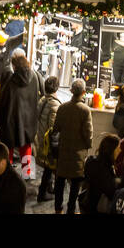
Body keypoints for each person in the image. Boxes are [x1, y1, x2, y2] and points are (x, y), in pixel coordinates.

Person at [50, 78, 93, 213]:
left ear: (71, 91)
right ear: (84, 92)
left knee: (60, 181)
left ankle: (58, 209)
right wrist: (88, 145)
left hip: (63, 151)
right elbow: (88, 133)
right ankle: (71, 209)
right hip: (78, 154)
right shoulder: (85, 110)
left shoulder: (62, 107)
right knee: (75, 184)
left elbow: (55, 128)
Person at [0, 49, 40, 174]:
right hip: (29, 119)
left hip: (11, 120)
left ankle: (7, 172)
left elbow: (4, 102)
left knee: (8, 147)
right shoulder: (34, 78)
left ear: (14, 66)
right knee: (26, 146)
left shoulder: (11, 81)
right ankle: (27, 173)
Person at [33, 75, 61, 202]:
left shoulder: (42, 99)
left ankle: (48, 187)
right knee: (50, 165)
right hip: (47, 141)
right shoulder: (55, 104)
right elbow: (53, 128)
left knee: (47, 166)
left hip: (40, 136)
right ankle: (45, 191)